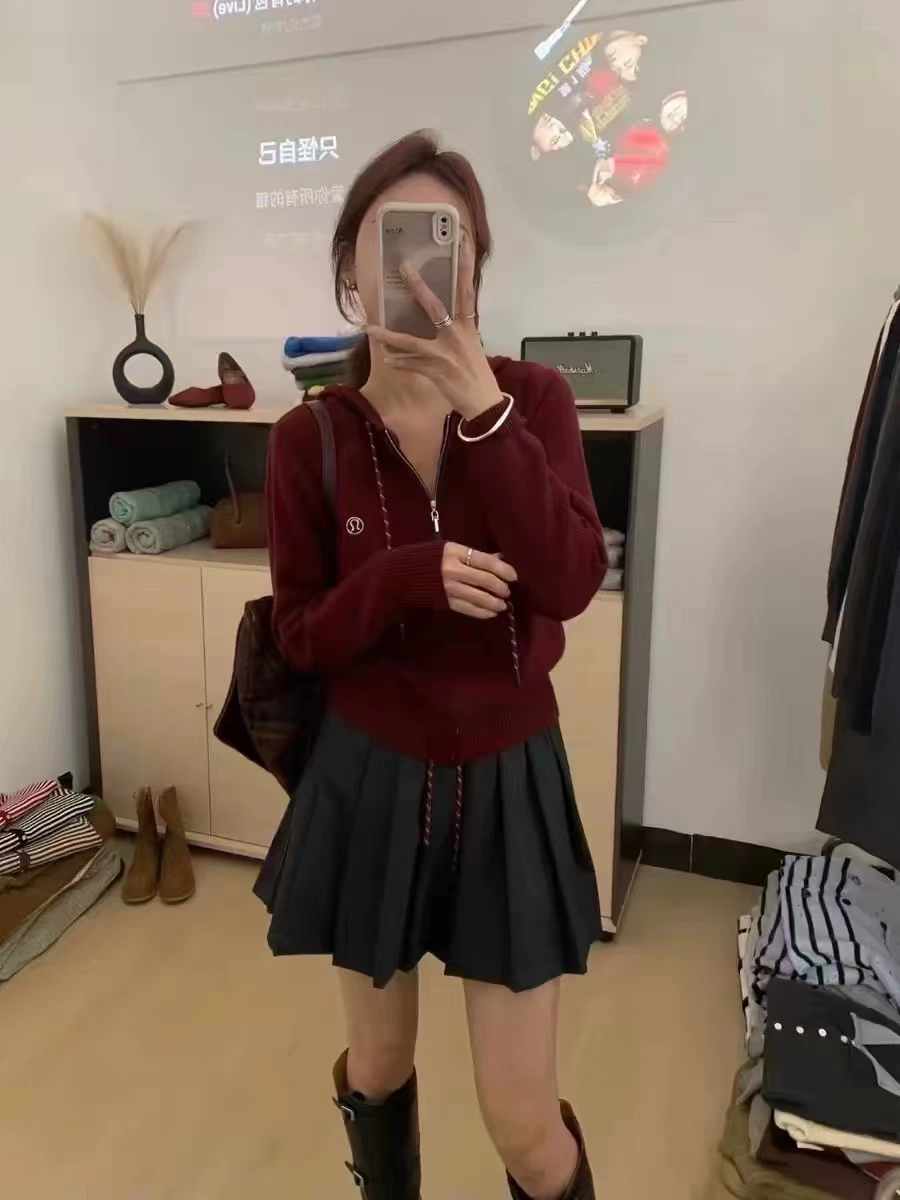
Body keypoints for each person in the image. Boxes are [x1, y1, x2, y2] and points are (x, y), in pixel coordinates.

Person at [258, 129, 607, 1200]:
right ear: (349, 271)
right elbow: (302, 635)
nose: (415, 270)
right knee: (377, 1069)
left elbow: (571, 581)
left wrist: (482, 411)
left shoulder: (532, 401)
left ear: (473, 271)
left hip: (510, 782)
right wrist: (406, 577)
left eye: (441, 244)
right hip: (368, 780)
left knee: (523, 1122)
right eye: (391, 241)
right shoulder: (311, 436)